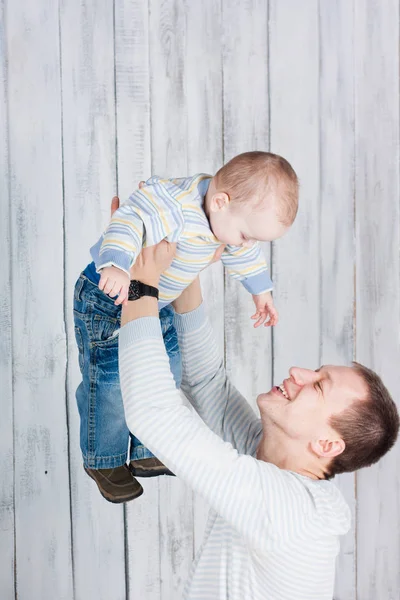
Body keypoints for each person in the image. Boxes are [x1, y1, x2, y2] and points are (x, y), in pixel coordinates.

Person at [118, 238, 399, 600]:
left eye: (317, 386)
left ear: (327, 444)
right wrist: (185, 253)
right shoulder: (274, 461)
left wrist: (141, 284)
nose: (298, 373)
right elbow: (206, 382)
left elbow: (152, 412)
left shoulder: (290, 511)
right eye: (315, 370)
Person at [73, 151, 299, 502]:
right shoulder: (175, 206)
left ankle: (148, 449)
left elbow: (243, 255)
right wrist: (117, 264)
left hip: (157, 299)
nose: (246, 243)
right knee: (110, 381)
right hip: (108, 294)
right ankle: (104, 458)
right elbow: (129, 219)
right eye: (246, 234)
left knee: (169, 371)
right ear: (221, 202)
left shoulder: (226, 218)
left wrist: (261, 291)